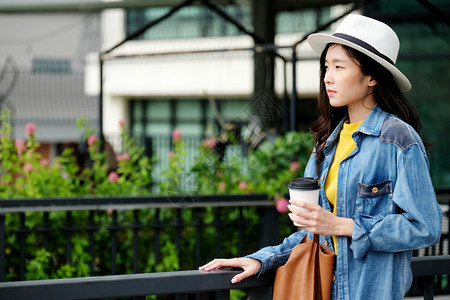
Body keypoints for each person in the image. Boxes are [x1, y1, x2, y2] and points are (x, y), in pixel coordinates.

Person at [199, 14, 443, 299]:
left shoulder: (398, 139)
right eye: (326, 66)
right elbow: (311, 234)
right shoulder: (326, 143)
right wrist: (262, 259)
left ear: (372, 77)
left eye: (339, 67)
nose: (328, 77)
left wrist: (344, 225)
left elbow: (424, 226)